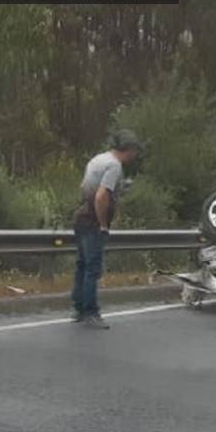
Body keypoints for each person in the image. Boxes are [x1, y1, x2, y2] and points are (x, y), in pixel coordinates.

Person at [72, 129, 142, 329]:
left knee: (82, 265)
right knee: (93, 268)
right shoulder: (114, 165)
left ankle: (78, 308)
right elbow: (102, 196)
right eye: (134, 150)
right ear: (128, 149)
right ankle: (90, 312)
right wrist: (103, 224)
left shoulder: (98, 159)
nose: (135, 155)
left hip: (80, 217)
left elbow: (83, 186)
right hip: (93, 221)